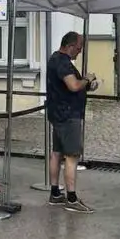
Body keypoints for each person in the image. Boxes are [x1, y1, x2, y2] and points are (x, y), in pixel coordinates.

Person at [45, 32, 96, 213]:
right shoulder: (63, 63)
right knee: (72, 157)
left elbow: (72, 85)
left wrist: (87, 84)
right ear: (70, 45)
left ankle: (55, 193)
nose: (79, 52)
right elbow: (73, 86)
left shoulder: (53, 59)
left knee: (57, 153)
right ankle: (72, 198)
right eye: (79, 48)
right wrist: (87, 79)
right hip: (68, 116)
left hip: (57, 114)